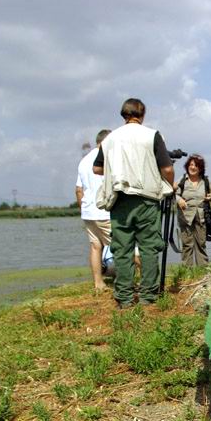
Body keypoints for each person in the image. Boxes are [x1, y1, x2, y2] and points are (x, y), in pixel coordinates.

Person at [93, 98, 174, 307]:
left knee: (122, 249)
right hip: (147, 199)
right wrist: (169, 186)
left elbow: (97, 168)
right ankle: (148, 297)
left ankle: (125, 298)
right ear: (142, 114)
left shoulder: (110, 138)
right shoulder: (152, 135)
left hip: (119, 200)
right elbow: (167, 169)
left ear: (123, 115)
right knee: (148, 248)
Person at [76, 129, 112, 292]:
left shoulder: (84, 161)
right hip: (104, 212)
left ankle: (98, 283)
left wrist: (83, 208)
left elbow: (78, 189)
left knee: (95, 246)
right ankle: (132, 280)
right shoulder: (106, 158)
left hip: (88, 212)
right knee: (123, 247)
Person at [175, 154, 211, 266]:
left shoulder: (206, 181)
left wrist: (210, 197)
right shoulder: (182, 180)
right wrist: (179, 200)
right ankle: (187, 272)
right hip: (185, 217)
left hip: (201, 217)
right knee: (187, 245)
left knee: (201, 244)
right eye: (191, 165)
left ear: (200, 168)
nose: (193, 167)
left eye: (196, 165)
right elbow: (175, 194)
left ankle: (202, 271)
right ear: (187, 166)